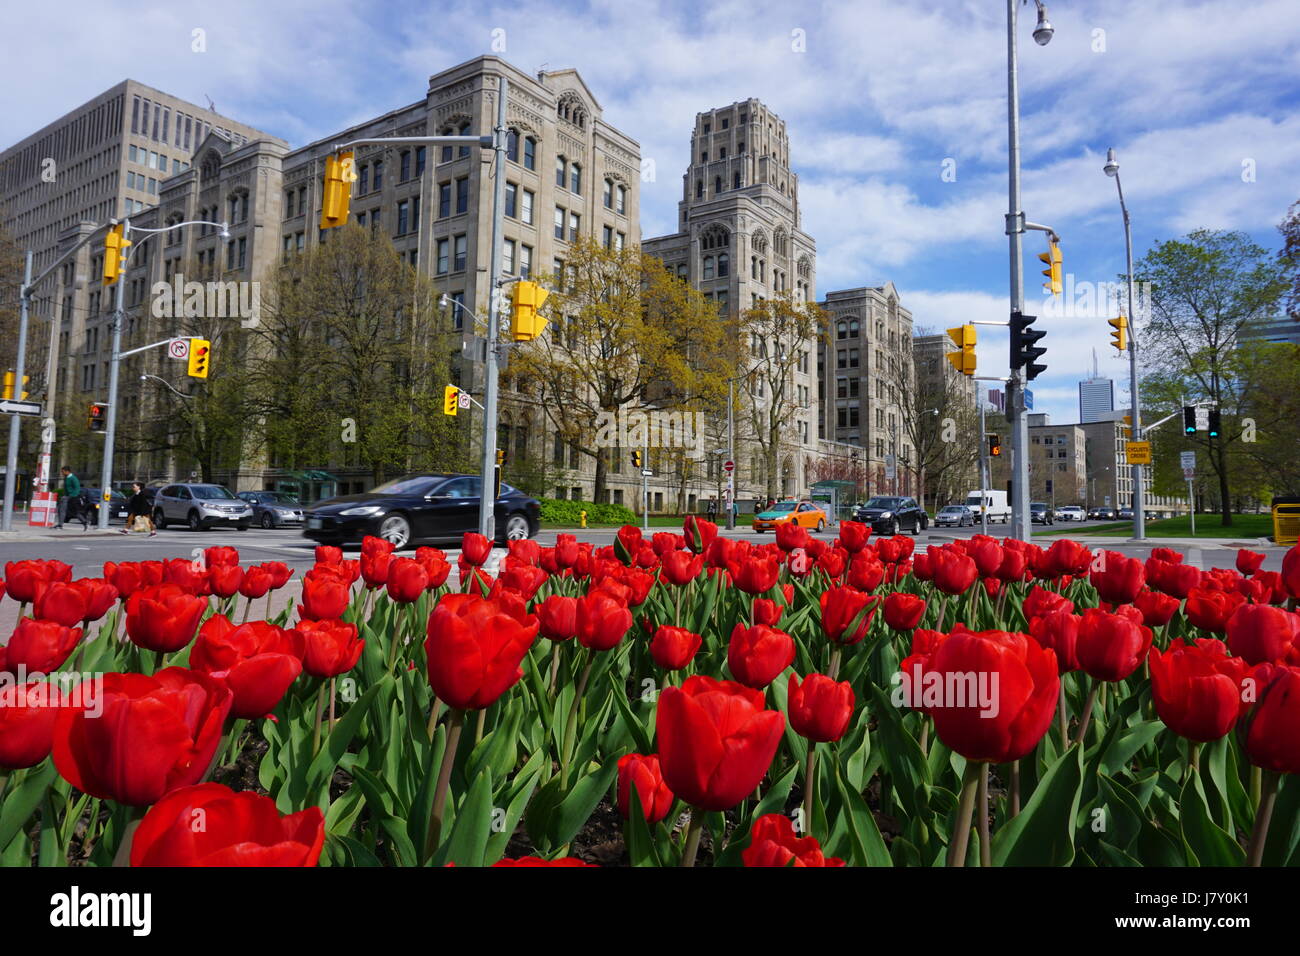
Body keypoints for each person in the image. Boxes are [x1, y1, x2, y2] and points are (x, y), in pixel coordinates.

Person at [56, 466, 88, 530]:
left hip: (73, 497)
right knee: (61, 509)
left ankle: (84, 522)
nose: (62, 473)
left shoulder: (73, 478)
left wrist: (70, 496)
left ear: (67, 471)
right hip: (68, 497)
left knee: (75, 512)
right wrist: (65, 496)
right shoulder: (66, 478)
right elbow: (66, 489)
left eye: (63, 471)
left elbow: (77, 489)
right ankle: (60, 524)